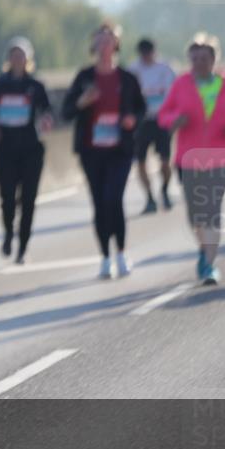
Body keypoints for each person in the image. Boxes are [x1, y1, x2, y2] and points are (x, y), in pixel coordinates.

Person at [159, 33, 225, 285]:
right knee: (195, 215)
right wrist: (174, 121)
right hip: (189, 158)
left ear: (213, 59)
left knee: (211, 211)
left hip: (221, 157)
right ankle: (204, 248)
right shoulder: (181, 84)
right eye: (194, 58)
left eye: (203, 58)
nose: (198, 62)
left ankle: (209, 264)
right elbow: (164, 114)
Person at [62, 23, 146, 279]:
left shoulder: (127, 78)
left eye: (109, 39)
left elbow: (141, 109)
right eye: (100, 40)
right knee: (99, 204)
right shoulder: (84, 77)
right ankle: (104, 257)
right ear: (94, 45)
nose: (104, 44)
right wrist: (82, 102)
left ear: (117, 45)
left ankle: (121, 253)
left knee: (114, 199)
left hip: (119, 150)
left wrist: (132, 118)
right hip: (91, 150)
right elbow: (65, 112)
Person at [0, 37, 54, 264]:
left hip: (31, 149)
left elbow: (49, 111)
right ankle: (8, 233)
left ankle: (23, 246)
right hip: (5, 150)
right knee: (6, 197)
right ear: (8, 59)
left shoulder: (36, 86)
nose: (17, 59)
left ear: (28, 59)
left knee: (28, 199)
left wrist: (46, 120)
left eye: (21, 56)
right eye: (14, 55)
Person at [129, 38, 176, 213]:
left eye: (149, 53)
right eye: (143, 54)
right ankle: (149, 197)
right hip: (142, 122)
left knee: (164, 160)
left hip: (162, 120)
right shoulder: (133, 71)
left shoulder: (166, 69)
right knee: (140, 162)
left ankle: (164, 189)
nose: (147, 57)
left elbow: (175, 93)